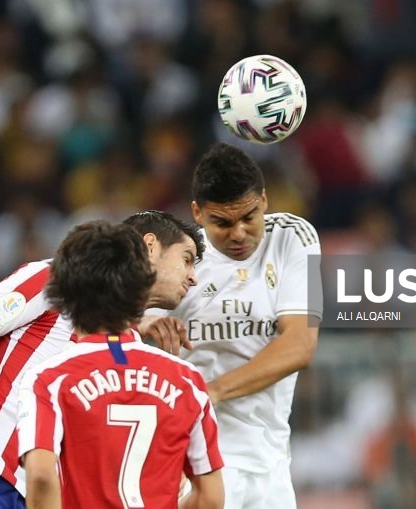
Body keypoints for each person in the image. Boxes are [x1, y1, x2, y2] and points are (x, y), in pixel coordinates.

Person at [0, 210, 204, 508]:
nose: (193, 276)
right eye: (187, 259)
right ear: (150, 246)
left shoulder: (132, 349)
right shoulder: (53, 281)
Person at [147, 142, 322, 509]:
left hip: (271, 463)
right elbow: (116, 317)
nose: (239, 233)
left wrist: (211, 392)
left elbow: (299, 345)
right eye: (222, 223)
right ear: (197, 212)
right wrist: (143, 322)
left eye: (249, 217)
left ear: (264, 201)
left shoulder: (291, 238)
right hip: (194, 462)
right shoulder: (175, 253)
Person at [17, 221, 224, 509]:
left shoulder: (48, 380)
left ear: (64, 296)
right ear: (141, 291)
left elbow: (40, 476)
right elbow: (211, 497)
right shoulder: (187, 380)